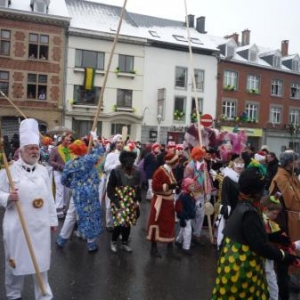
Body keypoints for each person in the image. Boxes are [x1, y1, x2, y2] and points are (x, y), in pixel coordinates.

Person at [211, 166, 298, 299]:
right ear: (255, 191)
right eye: (262, 188)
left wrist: (276, 238)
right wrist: (286, 257)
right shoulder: (250, 212)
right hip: (240, 268)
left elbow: (252, 235)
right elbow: (260, 246)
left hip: (234, 263)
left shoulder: (243, 204)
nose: (264, 192)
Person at [0, 118, 58, 300]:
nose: (35, 151)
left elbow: (49, 197)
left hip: (39, 228)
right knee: (15, 266)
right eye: (31, 148)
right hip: (17, 227)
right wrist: (8, 197)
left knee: (41, 264)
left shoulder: (43, 171)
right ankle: (13, 295)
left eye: (36, 148)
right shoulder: (7, 172)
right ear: (22, 151)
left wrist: (52, 220)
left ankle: (44, 295)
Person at [56, 133, 105, 252]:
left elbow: (63, 180)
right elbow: (100, 151)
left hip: (77, 193)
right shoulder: (89, 159)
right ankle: (91, 244)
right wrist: (96, 139)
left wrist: (73, 185)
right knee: (90, 216)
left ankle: (62, 239)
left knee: (71, 215)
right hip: (91, 194)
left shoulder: (70, 164)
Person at [107, 142, 141, 253]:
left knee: (128, 224)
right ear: (123, 158)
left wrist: (137, 199)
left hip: (131, 200)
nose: (130, 160)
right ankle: (113, 241)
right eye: (127, 157)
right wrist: (115, 200)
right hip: (118, 199)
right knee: (119, 224)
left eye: (132, 157)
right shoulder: (115, 171)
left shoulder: (137, 172)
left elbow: (138, 187)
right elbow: (110, 187)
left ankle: (124, 243)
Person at [146, 152, 181, 259]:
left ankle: (170, 250)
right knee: (156, 223)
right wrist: (168, 186)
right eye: (177, 162)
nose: (178, 163)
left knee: (170, 225)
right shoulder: (160, 171)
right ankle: (153, 248)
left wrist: (175, 187)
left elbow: (171, 186)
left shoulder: (170, 171)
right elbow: (155, 187)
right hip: (160, 203)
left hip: (169, 203)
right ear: (172, 162)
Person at [183, 146, 212, 245]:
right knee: (191, 214)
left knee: (201, 215)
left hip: (201, 193)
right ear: (196, 156)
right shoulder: (189, 167)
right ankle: (187, 234)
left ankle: (197, 234)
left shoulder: (205, 164)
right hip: (192, 193)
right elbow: (186, 182)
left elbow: (207, 178)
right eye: (200, 155)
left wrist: (208, 192)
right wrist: (192, 194)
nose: (202, 157)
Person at [48, 134, 73, 219]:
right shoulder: (55, 149)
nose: (69, 142)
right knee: (60, 191)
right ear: (62, 140)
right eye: (67, 140)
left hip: (68, 173)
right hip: (58, 172)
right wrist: (59, 166)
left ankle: (64, 209)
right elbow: (50, 161)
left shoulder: (70, 150)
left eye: (70, 140)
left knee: (66, 192)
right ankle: (58, 211)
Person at [103, 134, 123, 231]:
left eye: (121, 143)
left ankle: (118, 223)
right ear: (115, 144)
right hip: (111, 182)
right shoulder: (111, 155)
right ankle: (109, 223)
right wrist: (116, 166)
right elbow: (106, 168)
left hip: (121, 183)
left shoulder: (124, 155)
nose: (120, 144)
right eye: (118, 142)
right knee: (109, 203)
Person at [175, 177, 196, 255]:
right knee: (188, 231)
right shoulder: (183, 196)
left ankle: (178, 241)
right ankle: (186, 247)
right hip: (185, 216)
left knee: (183, 229)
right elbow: (179, 208)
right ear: (187, 186)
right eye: (192, 186)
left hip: (188, 216)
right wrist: (183, 217)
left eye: (194, 185)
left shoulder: (190, 194)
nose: (194, 187)